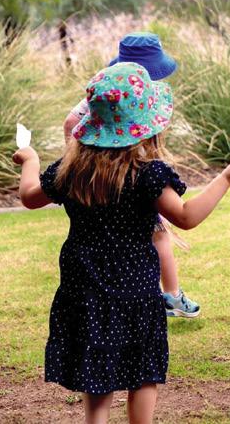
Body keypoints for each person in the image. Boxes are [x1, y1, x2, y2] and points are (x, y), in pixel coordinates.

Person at [15, 62, 230, 423]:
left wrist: (30, 159)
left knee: (97, 371)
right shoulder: (147, 175)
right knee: (142, 371)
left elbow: (29, 196)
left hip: (84, 288)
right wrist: (226, 178)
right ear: (144, 125)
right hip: (135, 291)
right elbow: (186, 217)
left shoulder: (72, 169)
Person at [62, 33, 200, 319]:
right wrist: (78, 161)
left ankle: (168, 295)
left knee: (150, 236)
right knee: (159, 235)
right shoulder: (119, 95)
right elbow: (71, 122)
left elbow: (71, 122)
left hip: (127, 177)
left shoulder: (108, 89)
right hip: (129, 179)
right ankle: (171, 296)